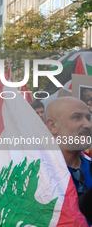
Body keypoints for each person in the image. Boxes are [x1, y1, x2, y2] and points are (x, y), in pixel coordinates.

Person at [46, 96, 92, 225]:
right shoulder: (34, 175)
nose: (88, 125)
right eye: (77, 117)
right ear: (53, 126)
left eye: (88, 118)